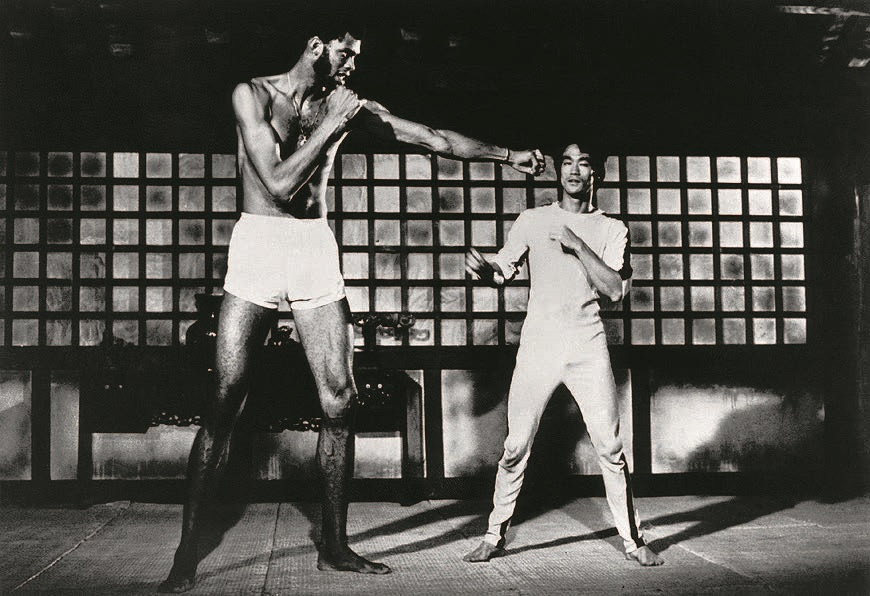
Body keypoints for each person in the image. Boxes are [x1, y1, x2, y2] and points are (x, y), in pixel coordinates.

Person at [159, 28, 545, 593]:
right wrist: (334, 123)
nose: (351, 66)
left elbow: (433, 138)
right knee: (225, 399)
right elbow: (279, 183)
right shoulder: (253, 94)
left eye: (358, 57)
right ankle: (186, 554)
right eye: (345, 53)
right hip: (259, 243)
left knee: (340, 399)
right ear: (316, 45)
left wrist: (508, 156)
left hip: (313, 246)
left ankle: (335, 547)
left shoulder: (346, 104)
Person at [462, 143, 664, 566]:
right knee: (515, 446)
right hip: (539, 344)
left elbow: (614, 290)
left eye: (583, 162)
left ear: (596, 174)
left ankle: (633, 541)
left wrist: (577, 245)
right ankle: (493, 535)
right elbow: (503, 269)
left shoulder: (613, 229)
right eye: (567, 162)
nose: (574, 170)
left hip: (587, 345)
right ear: (558, 171)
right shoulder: (533, 220)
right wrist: (485, 270)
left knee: (610, 447)